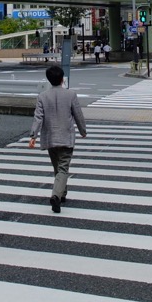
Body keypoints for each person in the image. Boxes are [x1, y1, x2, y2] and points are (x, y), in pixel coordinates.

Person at [28, 65, 87, 213]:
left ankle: (62, 194)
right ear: (62, 80)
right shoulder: (71, 95)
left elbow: (38, 117)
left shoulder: (42, 96)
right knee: (63, 168)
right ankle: (56, 195)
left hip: (50, 138)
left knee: (58, 168)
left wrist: (33, 135)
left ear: (49, 80)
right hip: (66, 138)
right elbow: (78, 115)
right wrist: (83, 131)